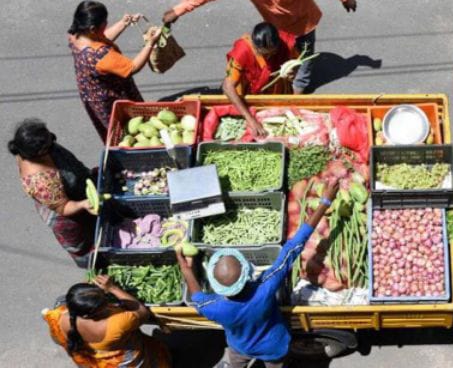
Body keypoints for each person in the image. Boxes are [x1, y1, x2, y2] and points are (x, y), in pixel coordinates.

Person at [175, 180, 339, 368]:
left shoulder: (213, 307)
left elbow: (196, 296)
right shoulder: (265, 288)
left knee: (236, 362)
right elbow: (293, 248)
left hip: (240, 347)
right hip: (273, 346)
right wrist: (325, 202)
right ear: (247, 273)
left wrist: (185, 267)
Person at [162, 0, 357, 95]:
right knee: (278, 59)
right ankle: (282, 87)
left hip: (303, 24)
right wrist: (179, 9)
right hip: (276, 28)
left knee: (304, 57)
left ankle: (299, 89)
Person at [68, 0, 162, 140]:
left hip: (92, 94)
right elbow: (133, 67)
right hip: (110, 96)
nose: (107, 24)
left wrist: (123, 23)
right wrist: (150, 43)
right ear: (93, 28)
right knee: (126, 126)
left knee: (108, 126)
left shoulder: (75, 36)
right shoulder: (100, 55)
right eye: (104, 23)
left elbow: (101, 38)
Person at [8, 119, 97, 267]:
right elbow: (63, 207)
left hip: (78, 192)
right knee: (84, 245)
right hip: (67, 213)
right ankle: (96, 265)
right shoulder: (40, 181)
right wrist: (83, 204)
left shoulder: (42, 147)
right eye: (49, 144)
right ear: (39, 153)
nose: (54, 139)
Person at [43, 275, 171, 367]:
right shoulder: (117, 323)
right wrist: (113, 288)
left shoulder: (58, 314)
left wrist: (90, 291)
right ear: (90, 315)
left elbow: (57, 339)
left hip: (94, 360)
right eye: (104, 303)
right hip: (122, 359)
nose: (109, 303)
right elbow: (143, 313)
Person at [224, 22, 298, 138]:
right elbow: (228, 87)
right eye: (263, 53)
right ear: (254, 45)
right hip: (249, 90)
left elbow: (295, 62)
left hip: (277, 89)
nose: (268, 57)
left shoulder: (286, 44)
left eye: (272, 53)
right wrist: (251, 119)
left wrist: (292, 72)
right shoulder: (243, 50)